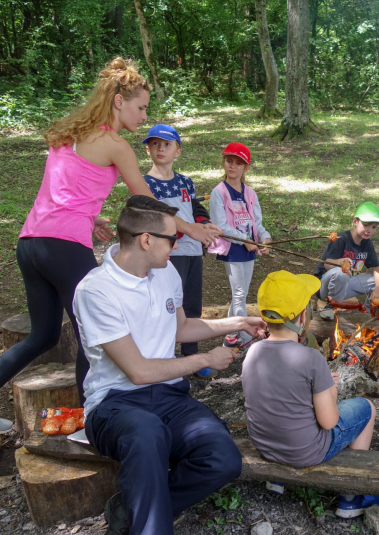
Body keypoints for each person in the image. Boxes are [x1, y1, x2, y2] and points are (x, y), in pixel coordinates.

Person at [0, 57, 219, 438]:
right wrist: (190, 228)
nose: (144, 115)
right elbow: (146, 202)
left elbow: (65, 193)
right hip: (64, 247)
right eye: (141, 106)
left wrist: (88, 219)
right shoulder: (116, 145)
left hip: (31, 243)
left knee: (43, 335)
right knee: (93, 335)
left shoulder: (70, 134)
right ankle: (87, 421)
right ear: (118, 101)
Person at [75, 196, 266, 534]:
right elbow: (139, 371)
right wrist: (204, 360)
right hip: (114, 404)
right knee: (146, 433)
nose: (179, 244)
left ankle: (133, 507)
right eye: (173, 239)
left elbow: (180, 328)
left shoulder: (165, 275)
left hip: (167, 397)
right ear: (146, 239)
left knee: (222, 458)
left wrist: (238, 323)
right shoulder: (96, 290)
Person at [241, 270, 379, 518]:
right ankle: (350, 495)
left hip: (265, 446)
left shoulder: (252, 353)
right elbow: (328, 422)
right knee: (367, 409)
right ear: (302, 317)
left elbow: (281, 393)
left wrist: (316, 385)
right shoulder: (310, 357)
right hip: (305, 452)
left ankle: (277, 481)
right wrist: (329, 389)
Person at [141, 124, 217, 377]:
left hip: (193, 251)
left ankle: (192, 355)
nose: (160, 148)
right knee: (169, 303)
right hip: (167, 254)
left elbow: (195, 208)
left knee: (192, 303)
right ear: (148, 150)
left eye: (167, 144)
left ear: (178, 151)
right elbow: (154, 217)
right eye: (154, 144)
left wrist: (204, 225)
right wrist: (179, 232)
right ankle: (165, 358)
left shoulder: (185, 181)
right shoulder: (145, 183)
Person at [208, 142, 272, 347]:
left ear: (246, 167)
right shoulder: (219, 192)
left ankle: (230, 334)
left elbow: (257, 223)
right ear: (224, 163)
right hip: (233, 249)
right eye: (229, 161)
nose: (232, 166)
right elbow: (221, 226)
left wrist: (265, 238)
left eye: (238, 163)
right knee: (238, 295)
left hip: (249, 249)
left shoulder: (250, 193)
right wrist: (244, 241)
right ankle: (245, 339)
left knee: (242, 294)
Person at [316, 201, 379, 319]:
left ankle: (370, 313)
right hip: (325, 287)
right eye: (365, 225)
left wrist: (378, 288)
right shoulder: (342, 239)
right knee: (342, 272)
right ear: (355, 221)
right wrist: (340, 262)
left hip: (346, 285)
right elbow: (327, 265)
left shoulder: (367, 243)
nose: (369, 230)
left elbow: (378, 269)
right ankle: (330, 306)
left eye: (374, 227)